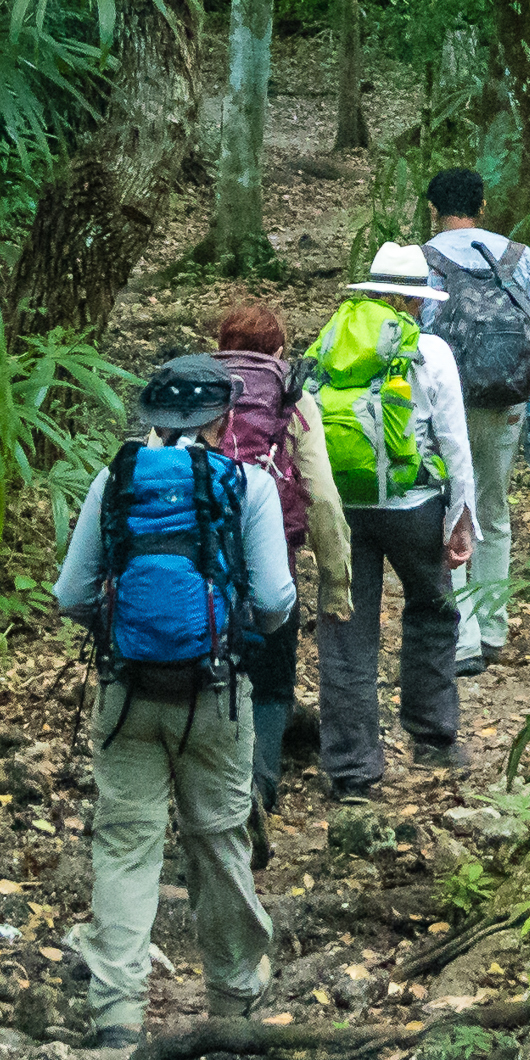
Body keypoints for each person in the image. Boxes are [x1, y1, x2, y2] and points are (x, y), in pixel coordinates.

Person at [48, 353, 290, 1041]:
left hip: (126, 693)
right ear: (221, 416)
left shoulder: (114, 477)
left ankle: (118, 1012)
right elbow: (273, 599)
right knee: (217, 841)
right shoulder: (247, 484)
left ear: (150, 415)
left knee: (125, 847)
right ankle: (234, 998)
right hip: (213, 695)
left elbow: (69, 593)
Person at [303, 245, 478, 800]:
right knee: (432, 609)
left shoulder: (331, 342)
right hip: (414, 505)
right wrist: (462, 517)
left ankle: (352, 768)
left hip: (344, 508)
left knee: (346, 627)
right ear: (407, 299)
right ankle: (432, 737)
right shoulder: (428, 351)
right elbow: (455, 442)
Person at [416, 168, 530, 677]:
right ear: (481, 205)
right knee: (494, 509)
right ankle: (494, 629)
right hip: (507, 399)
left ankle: (461, 639)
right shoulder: (516, 257)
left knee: (452, 510)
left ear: (435, 208)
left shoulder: (424, 259)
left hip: (447, 403)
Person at [204, 302, 347, 812]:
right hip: (271, 561)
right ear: (281, 352)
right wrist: (336, 582)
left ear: (221, 348)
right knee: (271, 683)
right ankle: (259, 788)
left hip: (194, 566)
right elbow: (324, 498)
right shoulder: (293, 398)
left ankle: (211, 792)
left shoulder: (192, 393)